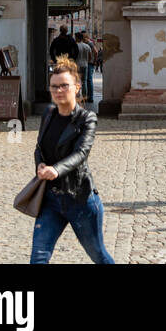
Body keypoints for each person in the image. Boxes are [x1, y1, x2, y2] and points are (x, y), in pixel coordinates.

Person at [30, 56, 114, 264]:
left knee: (98, 255)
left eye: (64, 86)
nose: (59, 91)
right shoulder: (48, 113)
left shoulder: (87, 119)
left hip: (81, 199)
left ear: (77, 87)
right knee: (38, 256)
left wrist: (56, 169)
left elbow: (81, 153)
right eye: (54, 86)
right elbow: (39, 147)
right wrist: (40, 164)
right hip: (51, 199)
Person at [75, 33, 94, 104]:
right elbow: (90, 56)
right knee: (84, 81)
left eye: (75, 37)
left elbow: (74, 56)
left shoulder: (76, 46)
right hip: (85, 65)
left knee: (77, 81)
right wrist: (87, 61)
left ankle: (77, 96)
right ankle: (84, 97)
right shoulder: (87, 46)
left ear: (77, 38)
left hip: (77, 65)